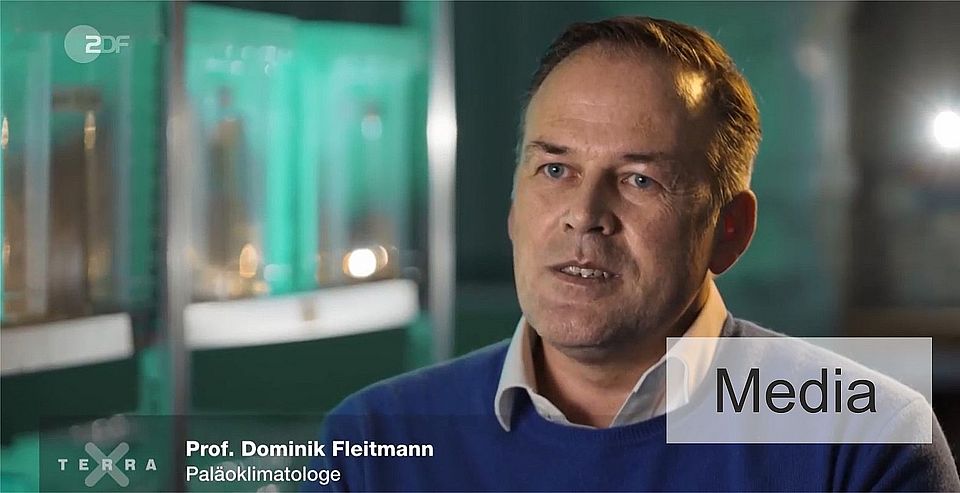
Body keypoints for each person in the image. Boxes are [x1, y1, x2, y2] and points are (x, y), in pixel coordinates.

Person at [305, 16, 960, 491]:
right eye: (555, 170)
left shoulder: (863, 439)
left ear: (730, 230)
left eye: (640, 180)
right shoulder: (372, 441)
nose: (584, 214)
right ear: (512, 207)